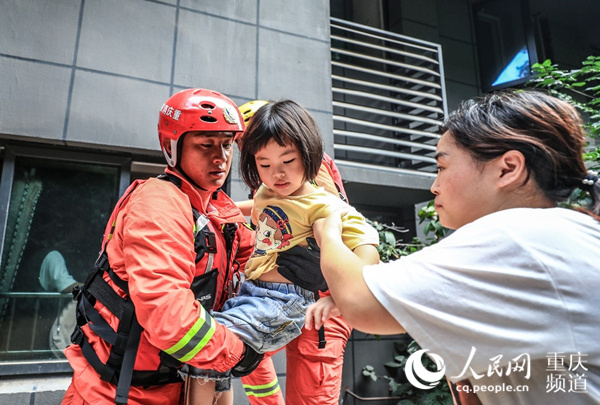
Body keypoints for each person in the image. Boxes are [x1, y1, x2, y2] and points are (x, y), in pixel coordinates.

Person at [309, 89, 600, 404]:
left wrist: (327, 226)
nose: (434, 186)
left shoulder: (517, 235)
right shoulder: (557, 234)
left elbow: (361, 303)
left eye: (442, 167)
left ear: (508, 169)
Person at [61, 88, 265, 405]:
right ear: (172, 147)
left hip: (173, 387)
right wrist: (237, 352)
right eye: (206, 144)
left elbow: (260, 264)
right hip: (117, 394)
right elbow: (166, 311)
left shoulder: (218, 211)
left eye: (226, 145)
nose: (221, 157)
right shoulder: (158, 203)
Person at [184, 99, 380, 403]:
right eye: (261, 162)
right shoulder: (270, 186)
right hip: (259, 290)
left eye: (285, 160)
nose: (275, 171)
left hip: (309, 300)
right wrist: (213, 209)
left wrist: (341, 295)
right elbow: (263, 207)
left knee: (212, 346)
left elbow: (347, 230)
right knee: (220, 354)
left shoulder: (312, 180)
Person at [234, 99, 355, 405]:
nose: (245, 150)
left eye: (244, 141)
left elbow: (327, 213)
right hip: (288, 294)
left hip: (320, 301)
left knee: (312, 396)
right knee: (241, 348)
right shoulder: (274, 178)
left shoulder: (308, 164)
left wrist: (339, 289)